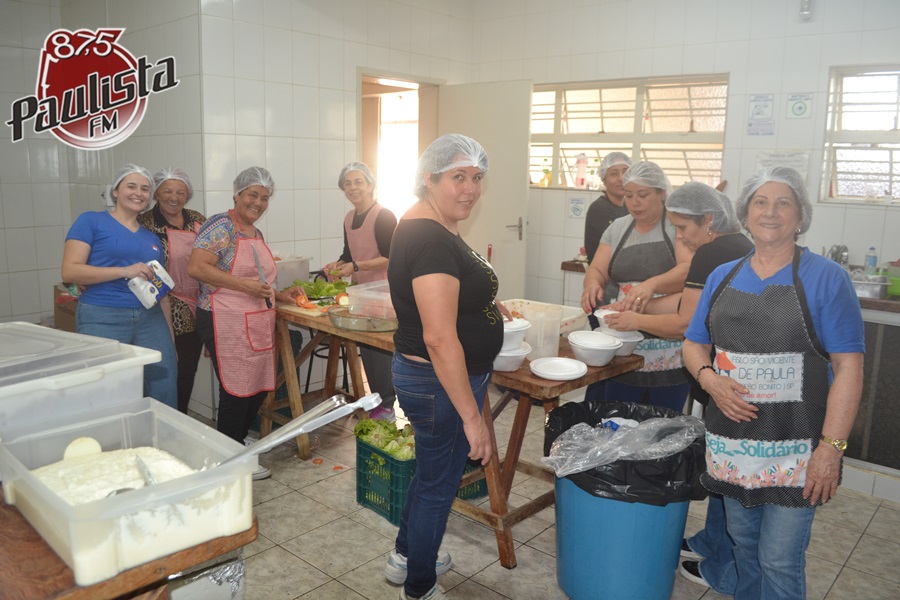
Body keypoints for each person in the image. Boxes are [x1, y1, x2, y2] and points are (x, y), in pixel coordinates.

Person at [682, 166, 865, 599]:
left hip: (798, 447)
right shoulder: (722, 275)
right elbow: (693, 344)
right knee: (744, 546)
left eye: (784, 202)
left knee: (779, 559)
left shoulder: (826, 278)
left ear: (801, 216)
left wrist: (831, 450)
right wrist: (710, 381)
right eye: (760, 202)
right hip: (733, 443)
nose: (771, 212)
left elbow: (849, 369)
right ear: (745, 213)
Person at [600, 181, 753, 595]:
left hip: (726, 373)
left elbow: (685, 321)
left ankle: (724, 564)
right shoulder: (737, 243)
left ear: (709, 221)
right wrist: (637, 304)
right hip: (732, 370)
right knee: (723, 468)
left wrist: (636, 320)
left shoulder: (712, 252)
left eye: (684, 227)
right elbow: (691, 304)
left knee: (729, 473)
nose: (680, 237)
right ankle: (710, 543)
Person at [384, 134, 507, 600]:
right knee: (439, 486)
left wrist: (484, 305)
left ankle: (405, 555)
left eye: (477, 178)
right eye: (458, 177)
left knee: (430, 474)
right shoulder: (430, 238)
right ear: (429, 178)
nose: (470, 188)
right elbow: (438, 337)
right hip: (440, 384)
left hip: (435, 380)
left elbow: (453, 290)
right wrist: (474, 419)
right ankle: (419, 586)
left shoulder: (431, 223)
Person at [188, 166, 302, 480]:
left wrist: (281, 295)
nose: (259, 203)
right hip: (222, 317)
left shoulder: (255, 233)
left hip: (254, 319)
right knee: (236, 389)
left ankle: (234, 440)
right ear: (237, 194)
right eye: (253, 195)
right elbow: (197, 267)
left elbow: (259, 281)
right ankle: (232, 459)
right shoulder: (221, 226)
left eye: (265, 198)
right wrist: (245, 287)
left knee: (254, 387)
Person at [61, 164, 178, 409]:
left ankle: (161, 440)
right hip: (102, 315)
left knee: (164, 382)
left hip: (151, 318)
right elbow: (70, 271)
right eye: (131, 186)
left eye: (145, 189)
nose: (139, 193)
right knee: (105, 388)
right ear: (115, 191)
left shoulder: (152, 239)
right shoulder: (91, 221)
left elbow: (162, 294)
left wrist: (170, 341)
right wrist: (125, 271)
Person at [580, 161, 693, 412]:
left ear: (662, 194)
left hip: (669, 342)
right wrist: (592, 285)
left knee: (662, 428)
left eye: (643, 195)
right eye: (629, 196)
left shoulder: (676, 226)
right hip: (624, 343)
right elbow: (598, 269)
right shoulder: (618, 228)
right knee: (619, 420)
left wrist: (652, 284)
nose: (634, 203)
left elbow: (688, 270)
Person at [323, 162, 398, 421]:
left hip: (385, 292)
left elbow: (391, 256)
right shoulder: (349, 218)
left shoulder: (383, 215)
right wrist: (338, 264)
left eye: (358, 182)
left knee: (381, 349)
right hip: (362, 293)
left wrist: (356, 265)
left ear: (370, 185)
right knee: (367, 347)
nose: (353, 188)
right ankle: (378, 401)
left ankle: (387, 405)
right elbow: (349, 254)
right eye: (347, 183)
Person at [138, 167, 207, 414]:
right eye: (167, 190)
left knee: (187, 371)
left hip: (196, 306)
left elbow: (214, 255)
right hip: (157, 307)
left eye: (180, 192)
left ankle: (179, 421)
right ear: (157, 192)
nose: (173, 197)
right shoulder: (144, 222)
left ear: (188, 195)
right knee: (162, 370)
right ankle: (157, 421)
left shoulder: (197, 219)